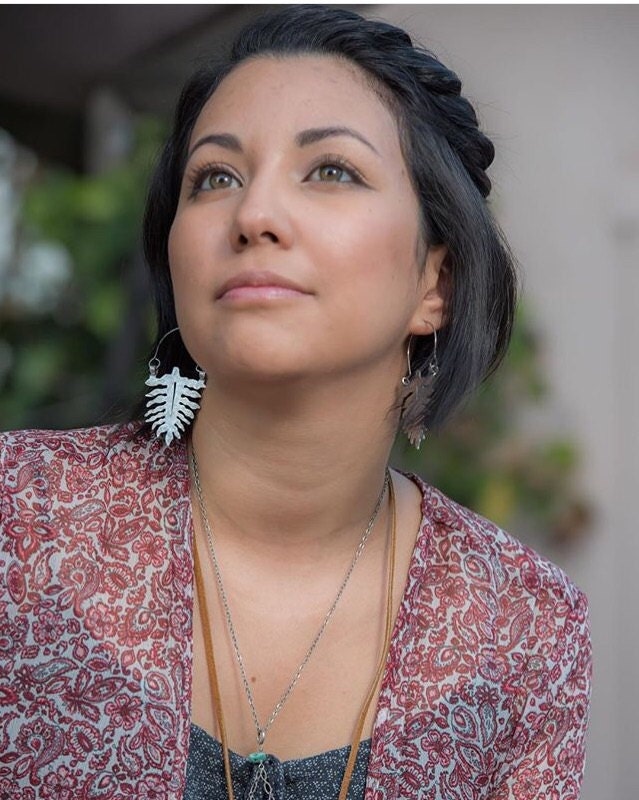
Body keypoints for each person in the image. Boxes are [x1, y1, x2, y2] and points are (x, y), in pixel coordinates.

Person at [0, 5, 591, 799]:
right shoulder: (20, 526)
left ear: (435, 283)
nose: (253, 217)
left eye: (331, 171)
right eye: (214, 178)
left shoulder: (523, 630)